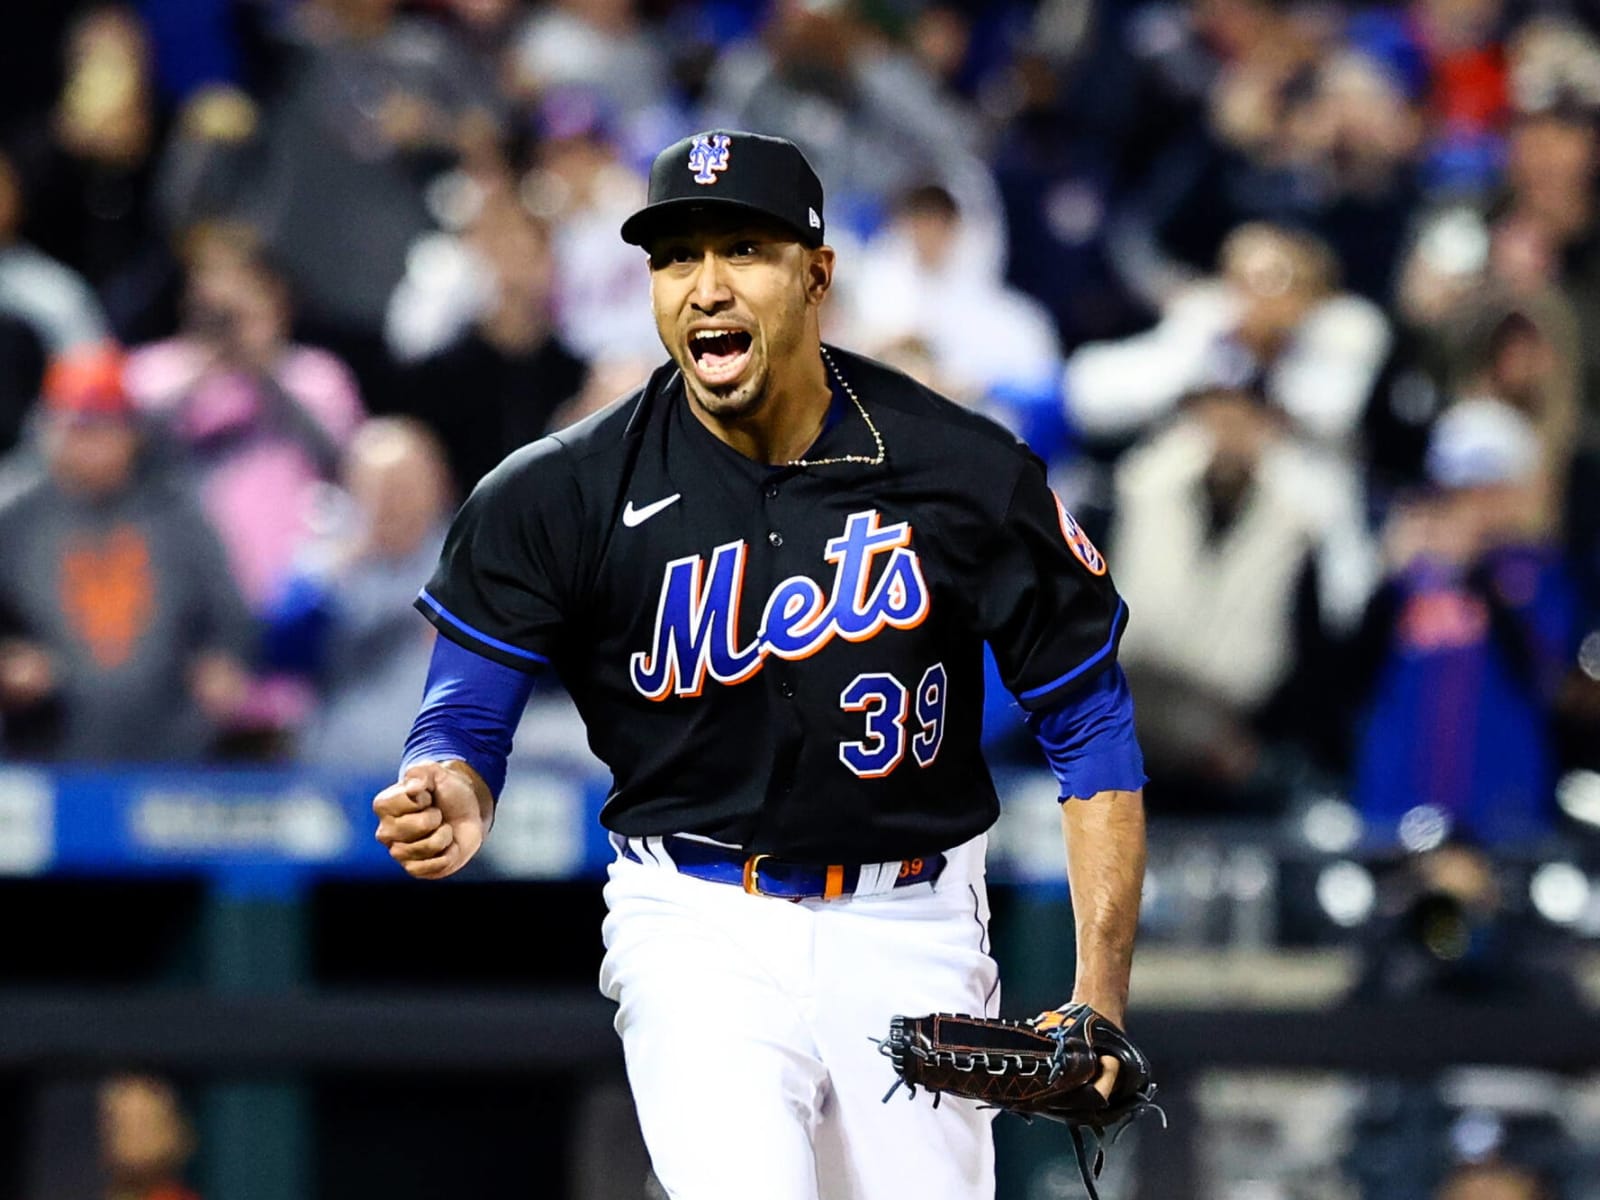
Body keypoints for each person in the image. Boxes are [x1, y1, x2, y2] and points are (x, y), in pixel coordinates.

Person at [372, 130, 1147, 1199]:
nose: (705, 285)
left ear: (817, 274)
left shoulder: (960, 469)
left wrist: (1098, 991)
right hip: (694, 921)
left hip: (911, 924)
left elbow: (1089, 720)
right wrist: (450, 779)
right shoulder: (562, 488)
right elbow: (463, 713)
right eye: (676, 256)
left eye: (742, 248)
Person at [0, 344, 255, 762]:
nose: (89, 446)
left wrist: (224, 659)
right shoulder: (14, 517)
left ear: (132, 434)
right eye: (75, 428)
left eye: (103, 428)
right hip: (45, 744)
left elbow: (228, 609)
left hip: (168, 740)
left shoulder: (176, 513)